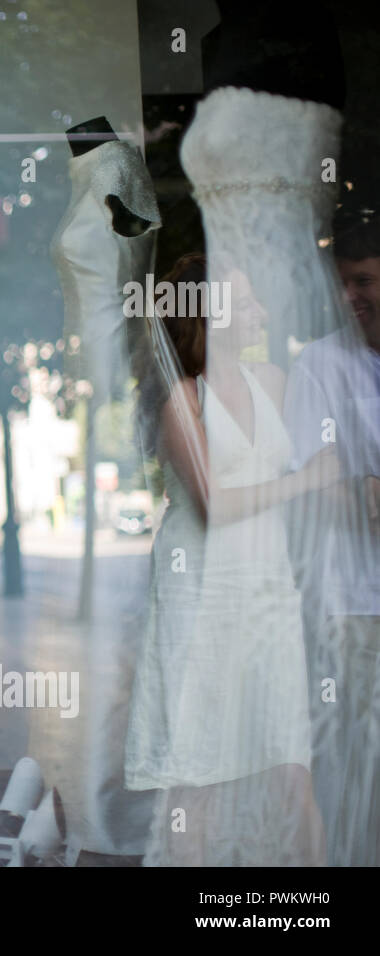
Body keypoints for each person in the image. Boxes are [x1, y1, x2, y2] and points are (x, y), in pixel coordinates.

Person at [125, 254, 339, 865]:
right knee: (200, 776)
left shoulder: (272, 380)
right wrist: (307, 481)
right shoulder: (180, 402)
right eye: (245, 303)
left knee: (291, 766)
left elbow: (322, 469)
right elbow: (216, 502)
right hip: (201, 596)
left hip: (268, 591)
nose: (260, 313)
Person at [283, 220, 380, 865]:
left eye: (364, 280)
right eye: (343, 282)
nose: (351, 294)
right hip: (357, 603)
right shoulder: (320, 364)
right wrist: (359, 489)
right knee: (361, 761)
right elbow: (314, 483)